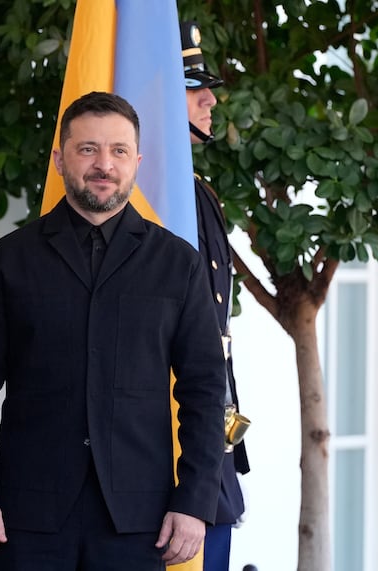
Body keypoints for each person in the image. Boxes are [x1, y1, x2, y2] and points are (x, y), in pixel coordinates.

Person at [0, 91, 227, 571]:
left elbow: (204, 390)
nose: (104, 165)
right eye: (88, 149)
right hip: (26, 516)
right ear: (60, 159)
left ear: (137, 162)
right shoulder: (8, 261)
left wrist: (195, 501)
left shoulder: (179, 263)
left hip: (142, 520)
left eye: (118, 151)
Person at [181, 20, 251, 571]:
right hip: (162, 439)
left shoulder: (198, 193)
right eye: (189, 85)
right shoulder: (149, 199)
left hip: (205, 435)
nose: (209, 99)